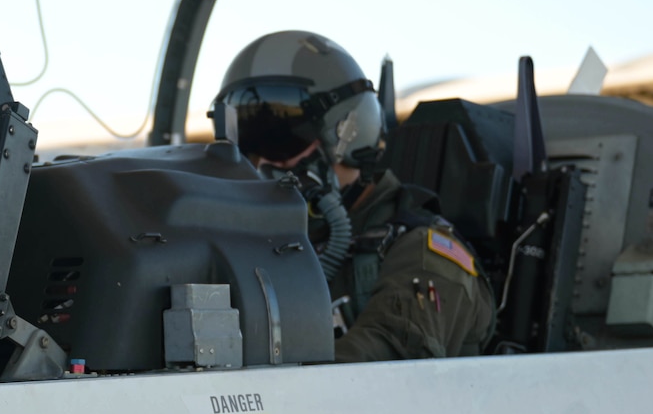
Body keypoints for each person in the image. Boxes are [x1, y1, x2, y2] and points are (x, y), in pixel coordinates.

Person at [211, 30, 493, 362]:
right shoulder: (270, 250)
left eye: (279, 138)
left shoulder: (422, 254)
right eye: (247, 144)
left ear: (348, 133)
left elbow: (377, 369)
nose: (263, 164)